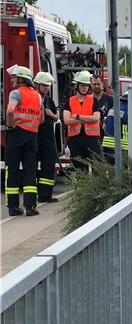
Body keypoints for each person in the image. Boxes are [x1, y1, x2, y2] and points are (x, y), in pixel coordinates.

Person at [4, 66, 43, 216]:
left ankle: (13, 207)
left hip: (16, 133)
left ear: (21, 79)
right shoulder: (37, 96)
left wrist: (10, 125)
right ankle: (30, 206)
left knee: (12, 170)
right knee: (30, 170)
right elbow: (40, 118)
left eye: (14, 77)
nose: (12, 79)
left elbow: (10, 111)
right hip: (32, 136)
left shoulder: (16, 93)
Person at [63, 70, 102, 171]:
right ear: (76, 86)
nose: (85, 88)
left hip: (92, 139)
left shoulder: (94, 100)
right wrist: (86, 119)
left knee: (97, 167)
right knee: (79, 169)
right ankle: (81, 187)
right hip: (75, 139)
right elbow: (66, 120)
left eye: (86, 86)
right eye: (82, 85)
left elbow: (96, 118)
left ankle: (97, 187)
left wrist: (76, 117)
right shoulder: (70, 101)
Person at [33, 72, 59, 203]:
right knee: (31, 166)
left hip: (48, 137)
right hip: (34, 136)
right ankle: (32, 196)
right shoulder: (32, 98)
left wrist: (50, 114)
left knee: (48, 165)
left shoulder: (49, 101)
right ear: (37, 85)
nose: (46, 88)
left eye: (47, 86)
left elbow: (56, 117)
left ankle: (45, 195)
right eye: (44, 85)